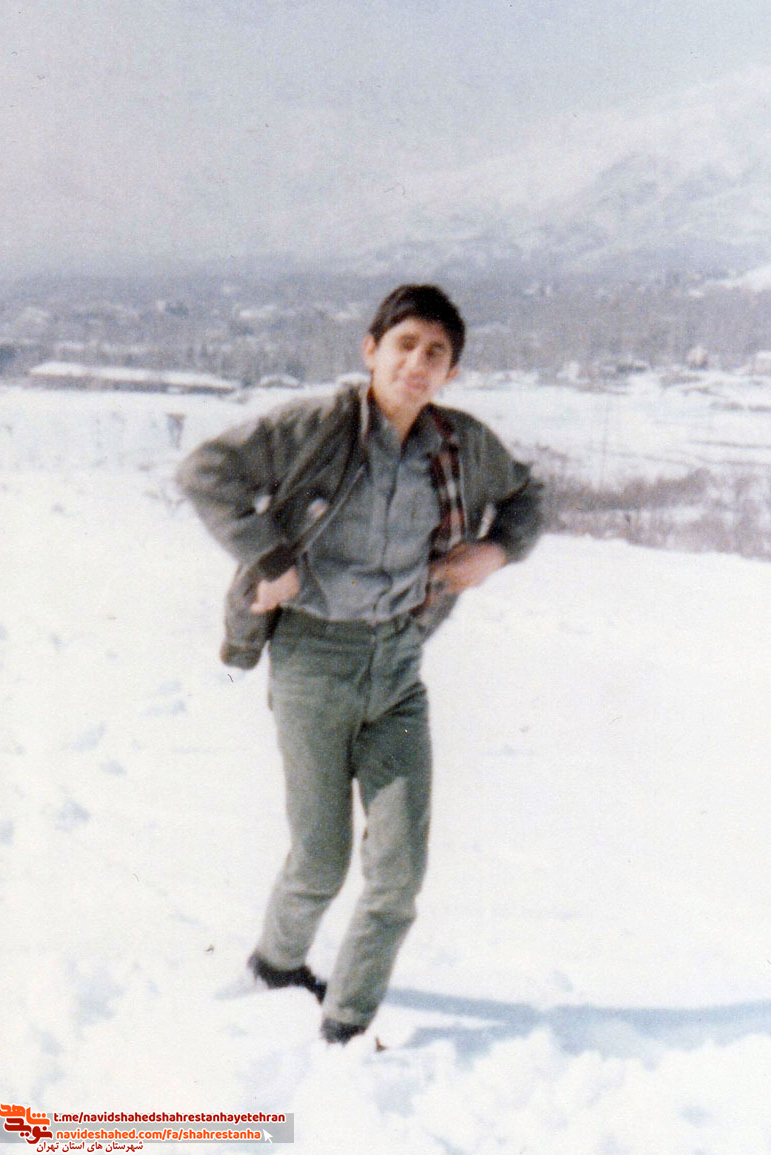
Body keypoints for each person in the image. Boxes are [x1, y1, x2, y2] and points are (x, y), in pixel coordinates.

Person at [177, 284, 543, 1044]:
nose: (418, 363)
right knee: (320, 860)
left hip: (399, 665)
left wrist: (497, 551)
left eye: (436, 353)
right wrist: (271, 557)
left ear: (452, 371)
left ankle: (345, 1025)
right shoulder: (315, 428)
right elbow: (207, 471)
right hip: (313, 659)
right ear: (370, 350)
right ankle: (277, 965)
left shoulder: (461, 445)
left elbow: (525, 496)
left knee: (399, 874)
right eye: (404, 344)